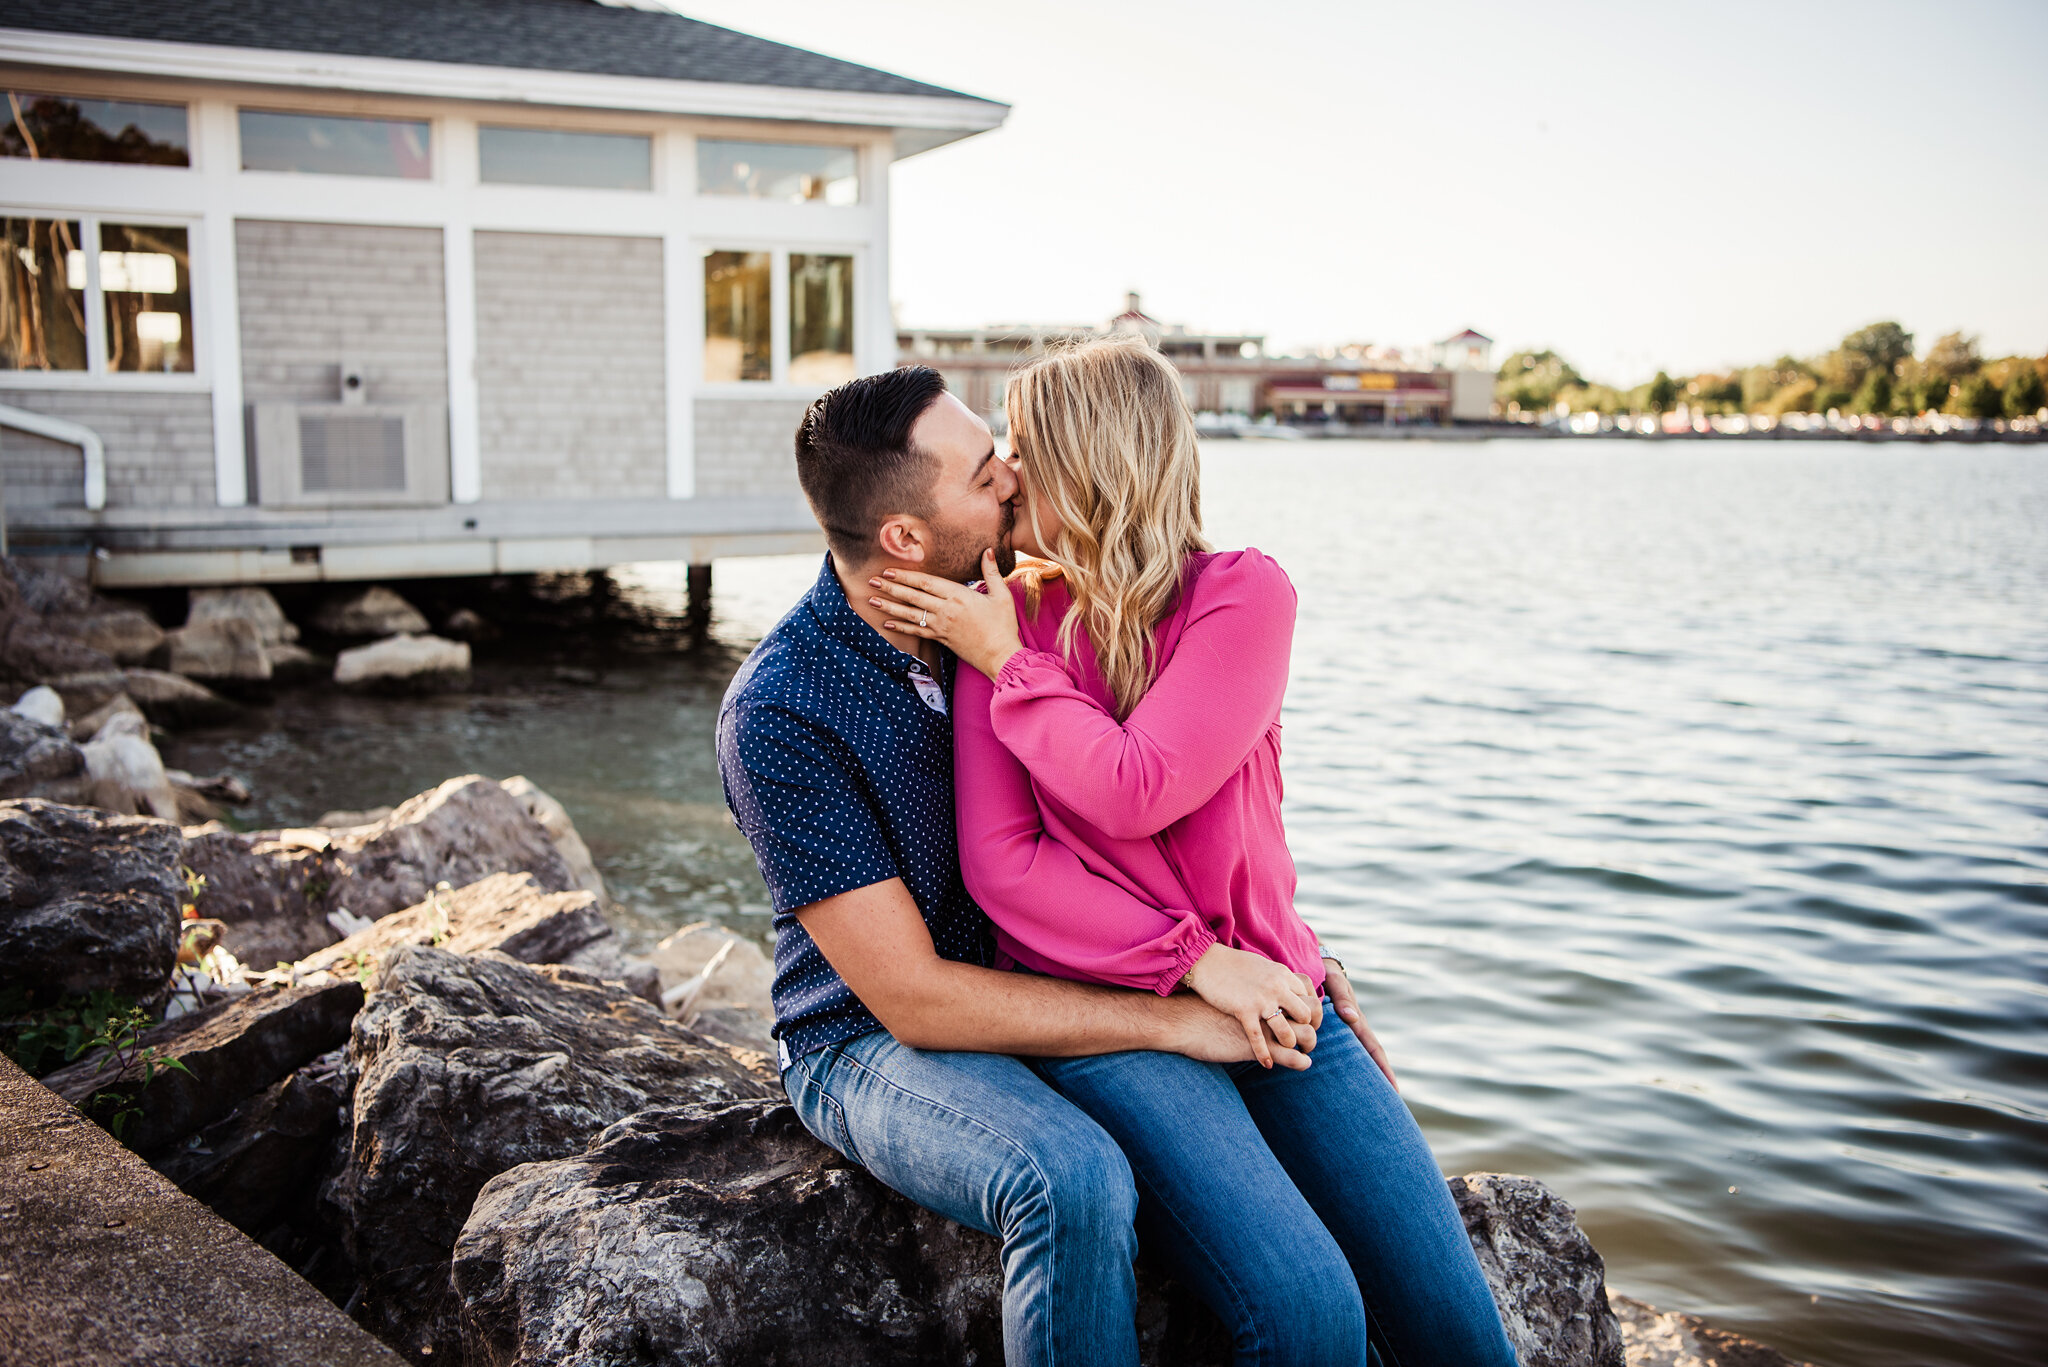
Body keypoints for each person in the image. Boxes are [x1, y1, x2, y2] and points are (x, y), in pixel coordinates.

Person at [862, 336, 1519, 1367]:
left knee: (1456, 1335)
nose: (1006, 475)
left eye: (1024, 447)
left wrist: (1276, 958)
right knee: (1308, 1316)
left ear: (1091, 458)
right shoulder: (1007, 619)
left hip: (1280, 997)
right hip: (1119, 1011)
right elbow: (1005, 865)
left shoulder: (1240, 594)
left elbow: (1141, 783)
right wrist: (1189, 962)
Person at [717, 364, 1349, 1366]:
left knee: (1314, 1288)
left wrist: (1288, 952)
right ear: (905, 541)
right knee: (1066, 1176)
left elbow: (1144, 808)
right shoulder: (786, 711)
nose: (1013, 477)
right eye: (982, 475)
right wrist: (1180, 1019)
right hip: (866, 1040)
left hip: (1059, 982)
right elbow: (913, 1001)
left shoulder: (1007, 615)